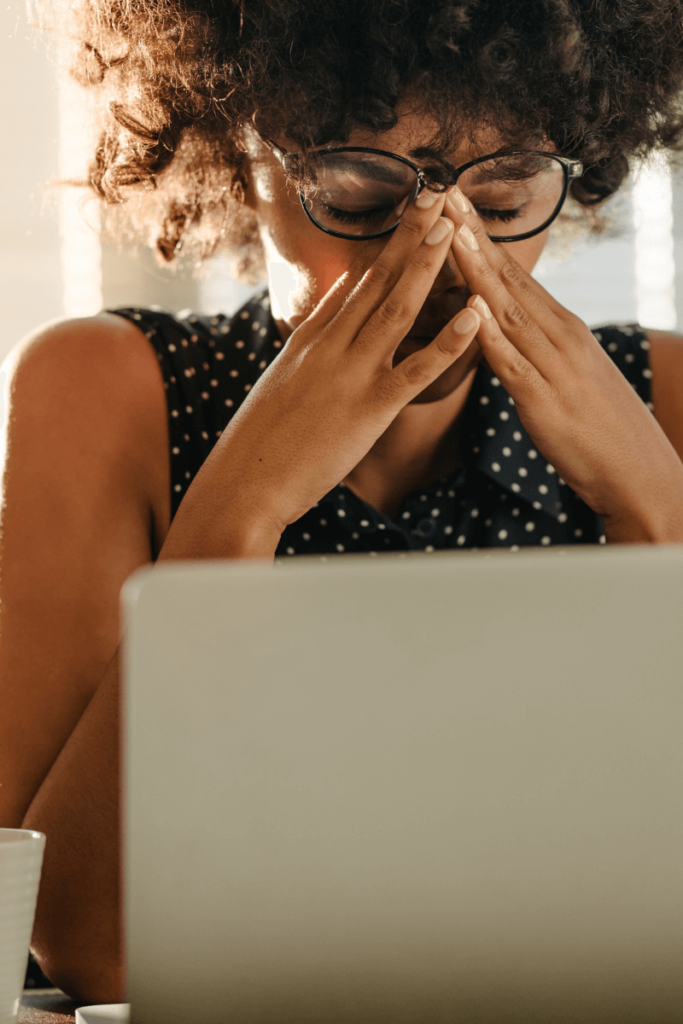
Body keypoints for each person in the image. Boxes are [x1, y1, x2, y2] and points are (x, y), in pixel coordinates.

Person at [3, 0, 683, 1002]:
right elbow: (85, 941)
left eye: (500, 201)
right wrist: (240, 507)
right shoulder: (110, 390)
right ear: (241, 157)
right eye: (360, 194)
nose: (443, 261)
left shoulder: (661, 399)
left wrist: (653, 514)